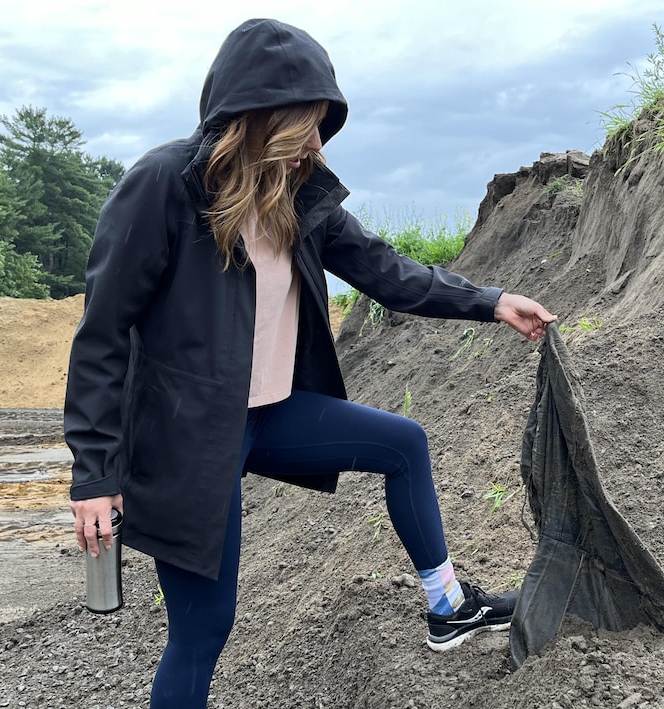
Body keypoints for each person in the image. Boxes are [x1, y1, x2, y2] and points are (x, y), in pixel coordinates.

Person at [64, 18, 556, 707]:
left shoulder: (300, 195)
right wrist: (95, 474)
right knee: (203, 630)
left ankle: (447, 606)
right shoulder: (164, 184)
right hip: (186, 439)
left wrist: (493, 300)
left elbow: (386, 271)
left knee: (403, 444)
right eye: (306, 126)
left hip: (268, 416)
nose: (317, 145)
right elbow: (102, 335)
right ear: (258, 117)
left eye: (322, 127)